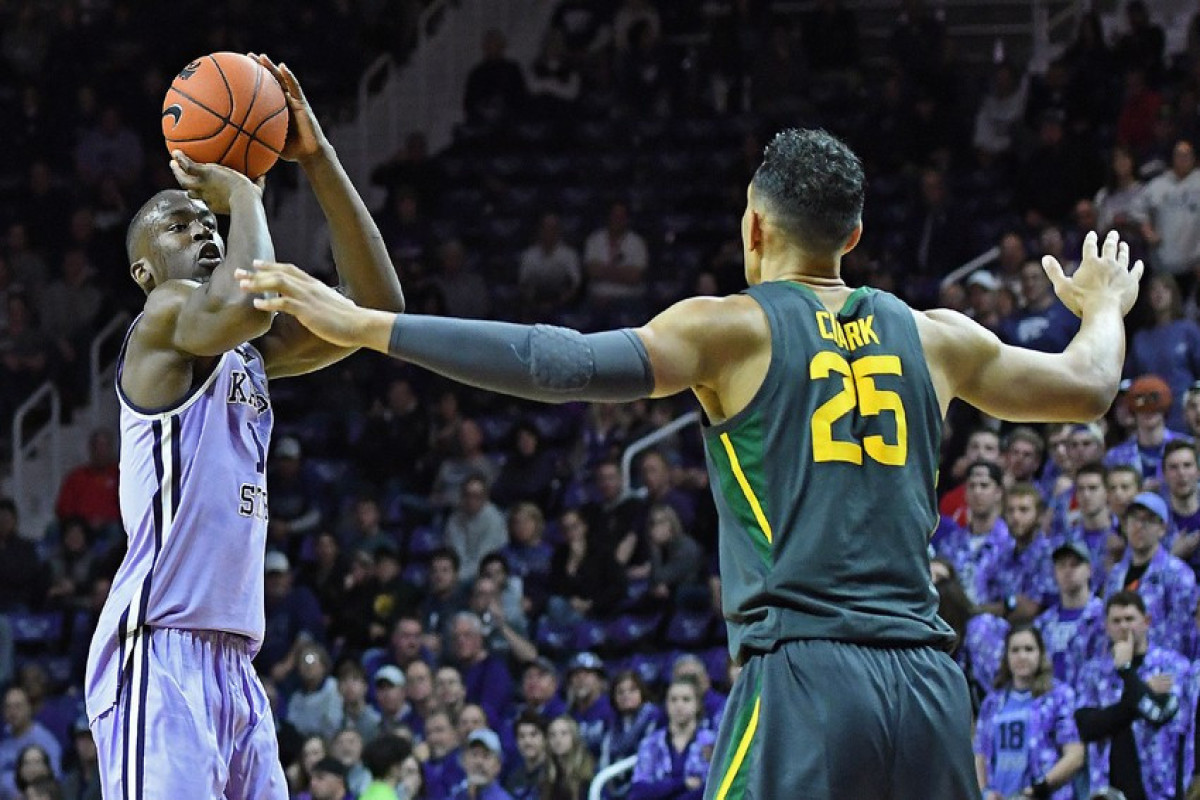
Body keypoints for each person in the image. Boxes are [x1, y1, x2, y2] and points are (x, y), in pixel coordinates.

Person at [237, 128, 1144, 799]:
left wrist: (362, 324)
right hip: (931, 688)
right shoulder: (937, 336)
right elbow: (1091, 384)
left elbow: (562, 364)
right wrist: (1101, 304)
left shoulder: (733, 328)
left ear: (753, 226)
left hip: (806, 681)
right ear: (854, 238)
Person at [82, 56, 405, 800]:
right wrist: (241, 193)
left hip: (234, 665)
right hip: (156, 653)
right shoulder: (161, 321)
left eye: (207, 221)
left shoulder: (246, 353)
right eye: (178, 222)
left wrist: (317, 157)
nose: (202, 228)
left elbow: (377, 308)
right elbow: (242, 306)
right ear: (141, 271)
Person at [1074, 591, 1191, 800]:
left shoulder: (1172, 665)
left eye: (1130, 619)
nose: (1124, 626)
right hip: (1107, 786)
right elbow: (1088, 727)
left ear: (1146, 621)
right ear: (1106, 626)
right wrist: (1142, 692)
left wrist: (1126, 670)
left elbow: (1159, 715)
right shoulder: (1093, 672)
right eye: (1116, 621)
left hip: (1157, 785)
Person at [973, 625, 1084, 800]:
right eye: (1015, 650)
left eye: (1029, 649)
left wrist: (1038, 789)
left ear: (1041, 654)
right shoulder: (992, 702)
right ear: (1006, 657)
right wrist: (985, 791)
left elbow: (1075, 755)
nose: (1022, 656)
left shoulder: (1059, 696)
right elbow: (979, 754)